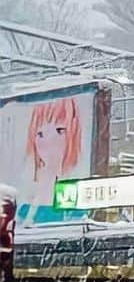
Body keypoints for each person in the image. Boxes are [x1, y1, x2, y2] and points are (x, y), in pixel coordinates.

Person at [16, 96, 84, 226]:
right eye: (40, 133)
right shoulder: (28, 196)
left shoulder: (74, 188)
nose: (48, 141)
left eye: (60, 130)